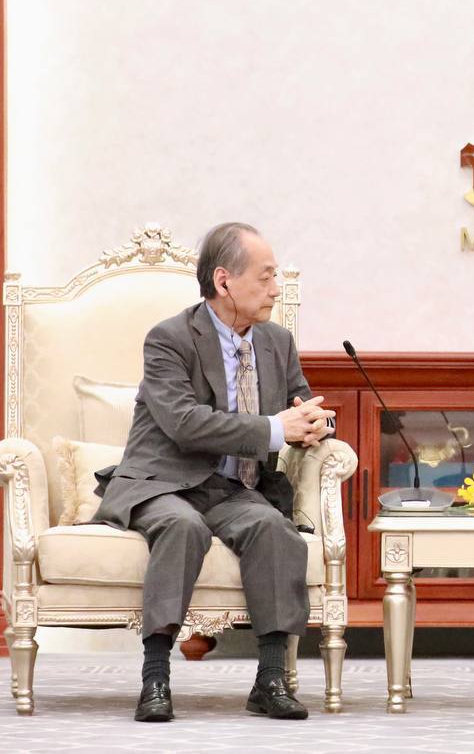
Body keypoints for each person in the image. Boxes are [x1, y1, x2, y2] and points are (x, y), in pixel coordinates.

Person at [92, 222, 335, 721]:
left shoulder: (277, 342)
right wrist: (276, 429)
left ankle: (270, 680)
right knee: (183, 527)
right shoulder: (170, 339)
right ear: (224, 281)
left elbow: (301, 405)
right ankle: (155, 678)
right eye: (265, 277)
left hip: (233, 488)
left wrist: (317, 425)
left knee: (274, 529)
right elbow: (185, 423)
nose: (275, 289)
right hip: (165, 481)